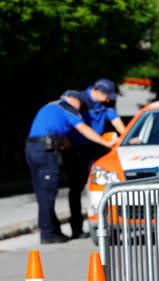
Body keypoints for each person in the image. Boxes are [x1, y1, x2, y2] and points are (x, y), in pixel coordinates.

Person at [25, 90, 115, 244]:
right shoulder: (67, 107)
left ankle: (51, 230)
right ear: (74, 101)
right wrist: (105, 142)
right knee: (48, 193)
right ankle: (48, 234)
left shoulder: (51, 107)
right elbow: (84, 129)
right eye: (80, 105)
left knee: (42, 192)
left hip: (32, 148)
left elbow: (65, 141)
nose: (80, 109)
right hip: (46, 151)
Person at [62, 78, 126, 239]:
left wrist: (126, 138)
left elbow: (117, 123)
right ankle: (76, 227)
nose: (109, 99)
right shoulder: (79, 98)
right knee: (76, 188)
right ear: (98, 91)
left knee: (101, 184)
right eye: (107, 95)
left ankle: (106, 223)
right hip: (75, 149)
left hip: (95, 148)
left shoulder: (105, 105)